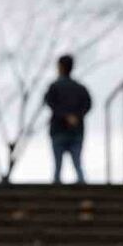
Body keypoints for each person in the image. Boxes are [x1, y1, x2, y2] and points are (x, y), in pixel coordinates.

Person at [43, 54, 92, 184]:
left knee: (58, 166)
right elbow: (88, 105)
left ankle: (56, 189)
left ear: (60, 67)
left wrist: (64, 115)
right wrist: (76, 116)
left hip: (58, 130)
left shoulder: (54, 87)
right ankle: (82, 186)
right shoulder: (80, 88)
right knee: (77, 163)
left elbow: (49, 102)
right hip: (76, 131)